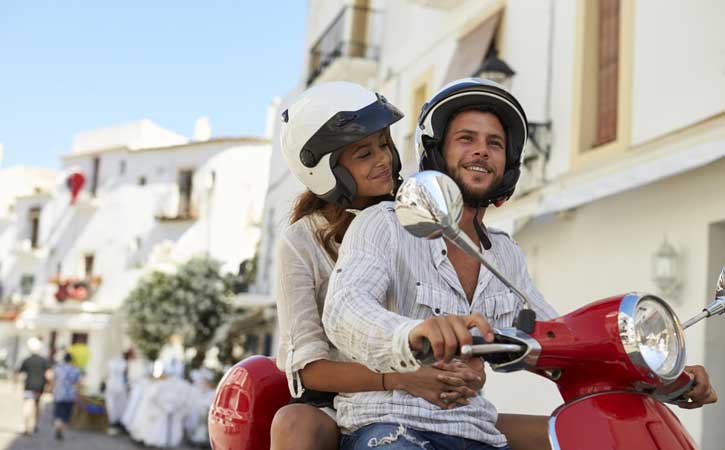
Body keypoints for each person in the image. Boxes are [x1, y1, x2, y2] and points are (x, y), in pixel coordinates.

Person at [322, 78, 717, 449]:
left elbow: (564, 341)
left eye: (495, 143)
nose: (481, 150)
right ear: (437, 150)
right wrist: (414, 334)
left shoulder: (505, 256)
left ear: (507, 162)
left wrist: (667, 379)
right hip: (390, 427)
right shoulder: (387, 223)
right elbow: (346, 310)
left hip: (476, 434)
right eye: (466, 139)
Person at [271, 81, 485, 450]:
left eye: (384, 144)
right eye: (364, 154)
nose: (384, 159)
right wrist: (400, 378)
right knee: (293, 424)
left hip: (431, 399)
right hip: (347, 406)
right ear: (326, 168)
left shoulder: (417, 219)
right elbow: (309, 370)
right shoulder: (301, 242)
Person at [17, 337, 51, 435]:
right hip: (39, 387)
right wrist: (49, 385)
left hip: (28, 386)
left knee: (27, 404)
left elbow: (21, 375)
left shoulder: (26, 360)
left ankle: (26, 425)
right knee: (36, 405)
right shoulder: (43, 360)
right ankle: (34, 424)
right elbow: (49, 375)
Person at [51, 352, 81, 440]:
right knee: (66, 415)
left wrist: (53, 390)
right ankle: (61, 431)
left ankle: (57, 428)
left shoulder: (58, 368)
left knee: (57, 414)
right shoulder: (76, 369)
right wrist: (77, 394)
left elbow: (53, 380)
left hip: (59, 394)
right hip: (70, 395)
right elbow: (78, 383)